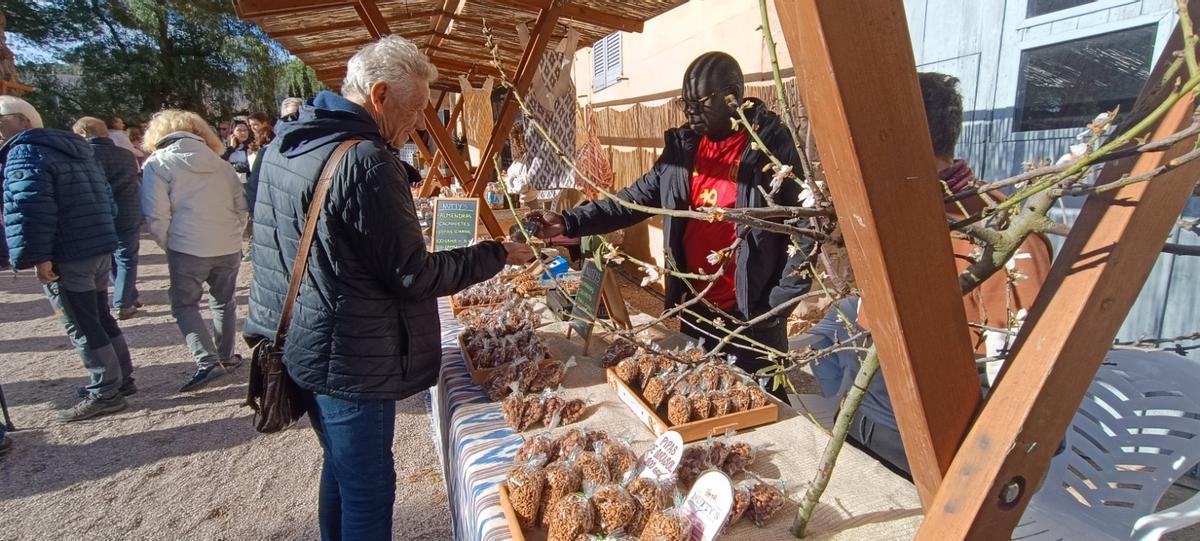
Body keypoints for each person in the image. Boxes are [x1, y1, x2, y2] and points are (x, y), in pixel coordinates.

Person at [245, 35, 532, 540]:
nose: (421, 121)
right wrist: (496, 254)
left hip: (300, 340)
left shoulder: (290, 143)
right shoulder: (365, 161)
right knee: (369, 486)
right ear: (379, 94)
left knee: (342, 469)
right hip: (351, 355)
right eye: (417, 107)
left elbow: (278, 245)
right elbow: (412, 275)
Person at [806, 72, 1054, 474]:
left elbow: (1021, 379)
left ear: (900, 141)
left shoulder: (1005, 237)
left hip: (935, 443)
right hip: (867, 411)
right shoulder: (898, 214)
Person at [526, 52, 811, 397]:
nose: (690, 112)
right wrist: (569, 220)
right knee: (699, 398)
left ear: (733, 94)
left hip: (751, 317)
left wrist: (777, 303)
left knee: (764, 409)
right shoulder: (683, 149)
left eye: (700, 103)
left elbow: (805, 227)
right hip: (696, 307)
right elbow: (631, 202)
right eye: (684, 103)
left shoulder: (768, 147)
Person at [1, 96, 136, 421]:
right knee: (101, 315)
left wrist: (39, 256)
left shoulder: (25, 153)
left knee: (82, 322)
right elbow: (106, 196)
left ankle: (106, 389)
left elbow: (30, 208)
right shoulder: (76, 149)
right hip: (97, 243)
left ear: (22, 120)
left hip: (68, 250)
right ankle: (122, 379)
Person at [141, 109, 248, 392]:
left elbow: (155, 214)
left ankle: (207, 359)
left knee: (184, 304)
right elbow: (241, 207)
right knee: (223, 301)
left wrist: (171, 244)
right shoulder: (221, 164)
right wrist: (233, 235)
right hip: (226, 244)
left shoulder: (158, 163)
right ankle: (225, 355)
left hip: (187, 245)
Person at [72, 117, 143, 320]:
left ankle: (123, 300)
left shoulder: (83, 157)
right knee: (127, 257)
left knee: (110, 256)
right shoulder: (126, 155)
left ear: (83, 133)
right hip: (128, 210)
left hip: (97, 213)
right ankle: (127, 295)